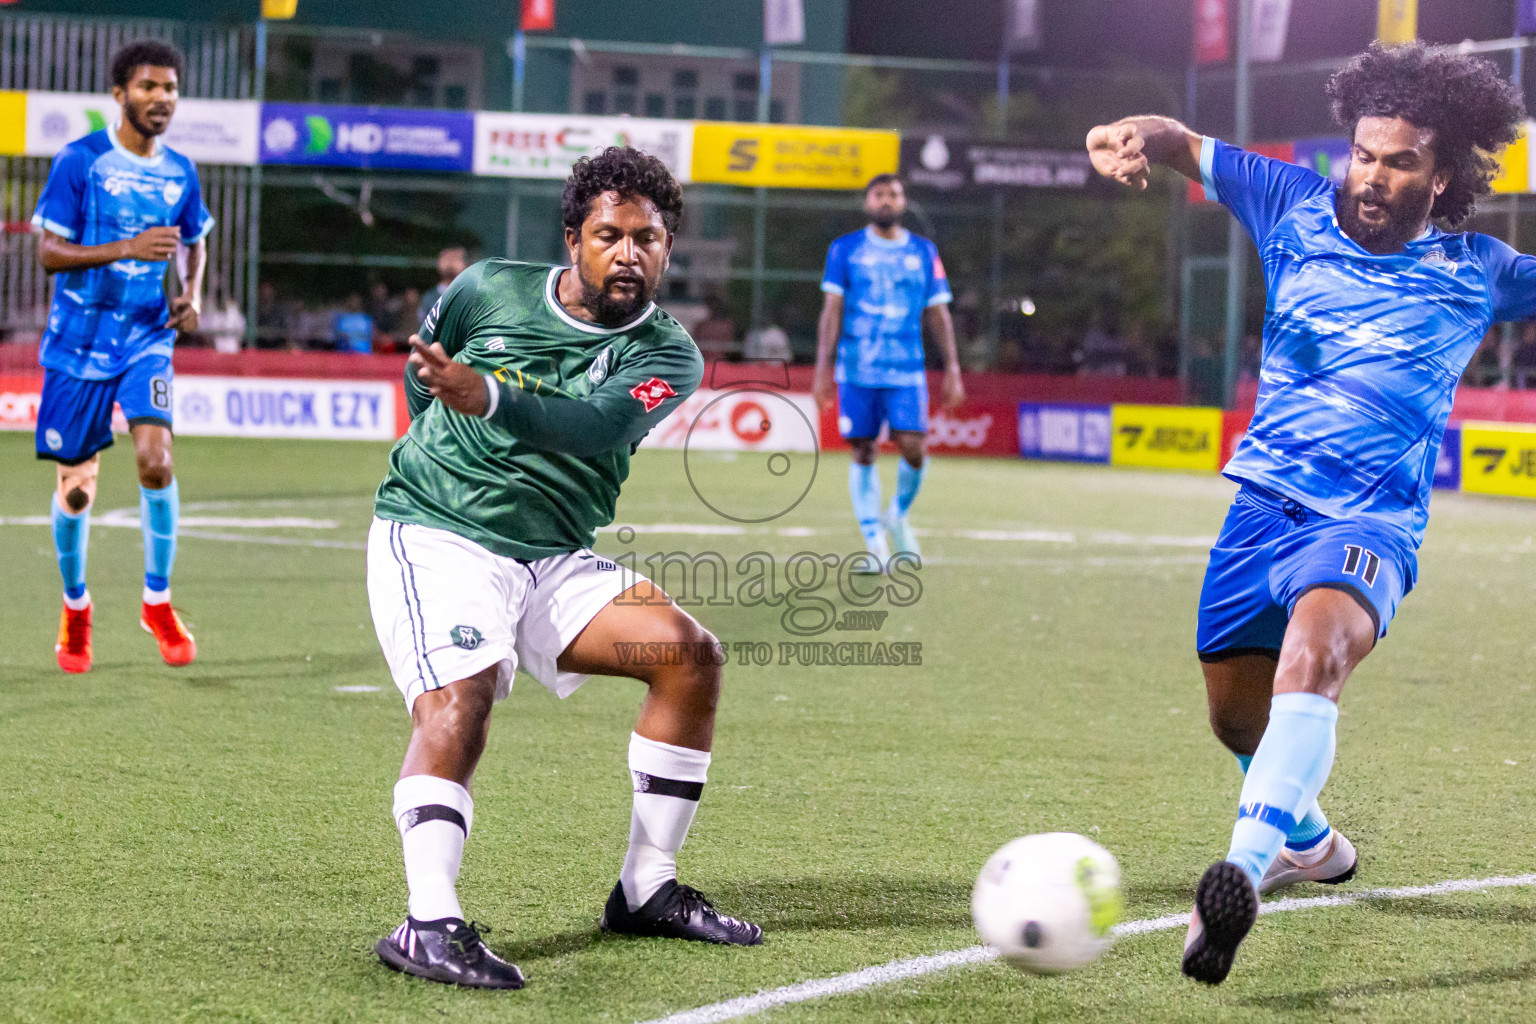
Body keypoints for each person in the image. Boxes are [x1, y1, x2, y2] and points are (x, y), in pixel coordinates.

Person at [1087, 42, 1533, 986]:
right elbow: (1181, 142)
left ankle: (1239, 877)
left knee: (1315, 655)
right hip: (1260, 514)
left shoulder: (1481, 268)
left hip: (1366, 526)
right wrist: (1135, 135)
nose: (1372, 176)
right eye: (1364, 154)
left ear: (1441, 173)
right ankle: (1314, 846)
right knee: (1239, 725)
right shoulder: (1291, 204)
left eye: (1399, 161)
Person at [366, 146, 762, 990]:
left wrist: (491, 398)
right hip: (439, 531)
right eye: (608, 235)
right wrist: (447, 461)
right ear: (573, 240)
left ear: (667, 246)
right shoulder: (486, 288)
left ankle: (645, 889)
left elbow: (593, 428)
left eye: (647, 238)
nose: (629, 253)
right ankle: (428, 921)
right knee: (460, 697)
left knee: (687, 656)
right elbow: (424, 371)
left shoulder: (667, 353)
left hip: (551, 554)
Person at [31, 40, 210, 674]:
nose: (161, 99)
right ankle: (76, 606)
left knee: (156, 461)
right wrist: (126, 246)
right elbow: (50, 253)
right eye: (148, 88)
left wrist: (190, 294)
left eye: (170, 89)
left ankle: (156, 601)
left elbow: (193, 242)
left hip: (146, 337)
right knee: (76, 491)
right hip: (76, 344)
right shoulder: (80, 162)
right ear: (119, 94)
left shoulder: (181, 171)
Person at [813, 174, 964, 565]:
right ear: (867, 201)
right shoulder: (844, 249)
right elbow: (832, 312)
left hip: (906, 370)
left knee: (914, 448)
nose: (886, 200)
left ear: (903, 202)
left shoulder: (923, 250)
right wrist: (821, 369)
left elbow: (938, 312)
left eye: (894, 194)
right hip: (857, 368)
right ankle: (874, 544)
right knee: (863, 449)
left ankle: (897, 515)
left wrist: (952, 367)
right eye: (879, 194)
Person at [417, 245, 468, 328]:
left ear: (466, 265)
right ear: (438, 264)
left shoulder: (472, 296)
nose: (450, 263)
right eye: (446, 259)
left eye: (456, 259)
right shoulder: (428, 298)